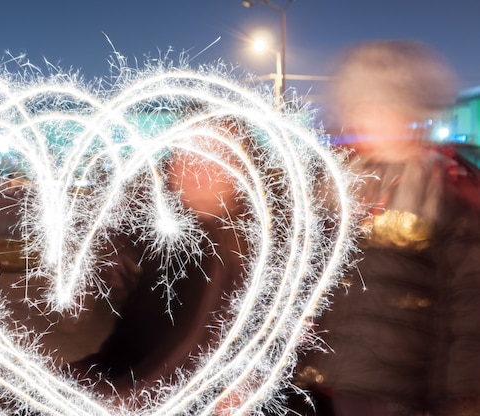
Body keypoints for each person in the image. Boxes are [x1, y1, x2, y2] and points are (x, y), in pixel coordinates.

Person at [290, 40, 480, 416]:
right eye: (361, 105)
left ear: (406, 107)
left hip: (407, 390)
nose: (369, 116)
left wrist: (463, 394)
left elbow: (469, 300)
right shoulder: (342, 186)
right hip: (338, 382)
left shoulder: (445, 189)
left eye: (380, 103)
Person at [69, 117, 251, 411]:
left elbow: (189, 355)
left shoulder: (231, 252)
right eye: (185, 154)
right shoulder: (170, 238)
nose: (194, 168)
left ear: (238, 170)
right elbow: (132, 336)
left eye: (211, 155)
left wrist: (113, 398)